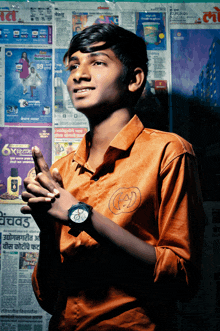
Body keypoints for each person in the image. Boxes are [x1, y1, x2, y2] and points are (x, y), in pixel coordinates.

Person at [21, 24, 205, 331]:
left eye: (97, 62)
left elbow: (183, 277)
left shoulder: (168, 152)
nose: (78, 75)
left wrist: (81, 216)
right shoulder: (61, 171)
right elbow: (49, 297)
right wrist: (46, 229)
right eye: (73, 65)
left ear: (134, 79)